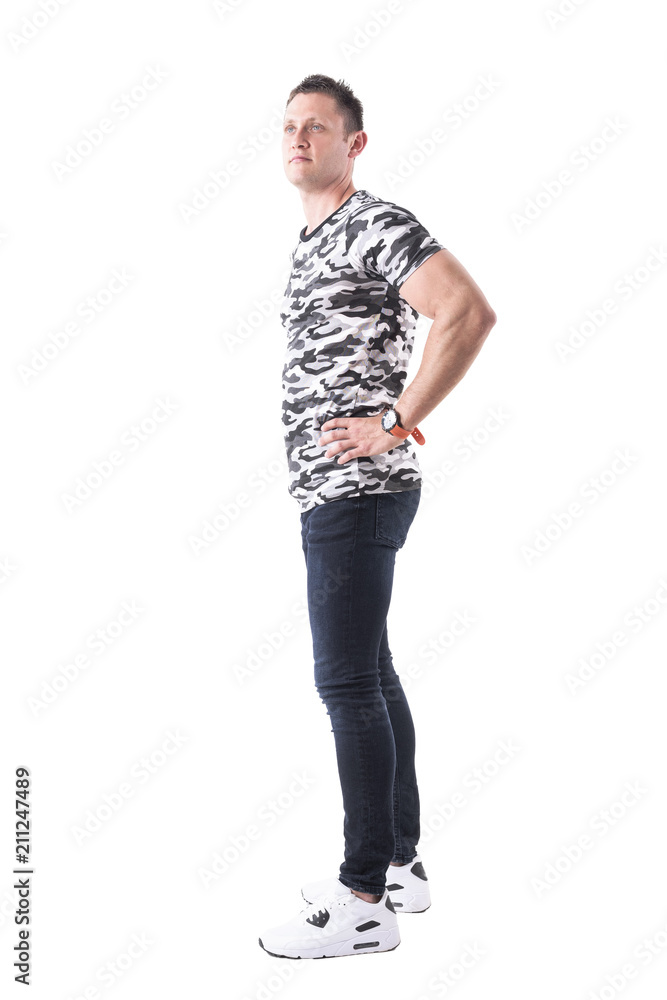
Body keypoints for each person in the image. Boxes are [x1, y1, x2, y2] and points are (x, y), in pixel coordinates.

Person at [259, 74, 496, 960]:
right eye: (287, 125)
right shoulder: (313, 236)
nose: (297, 138)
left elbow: (465, 311)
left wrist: (395, 419)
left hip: (358, 492)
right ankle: (398, 863)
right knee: (373, 671)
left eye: (316, 127)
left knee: (346, 684)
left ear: (352, 144)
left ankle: (362, 900)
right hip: (335, 494)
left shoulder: (374, 223)